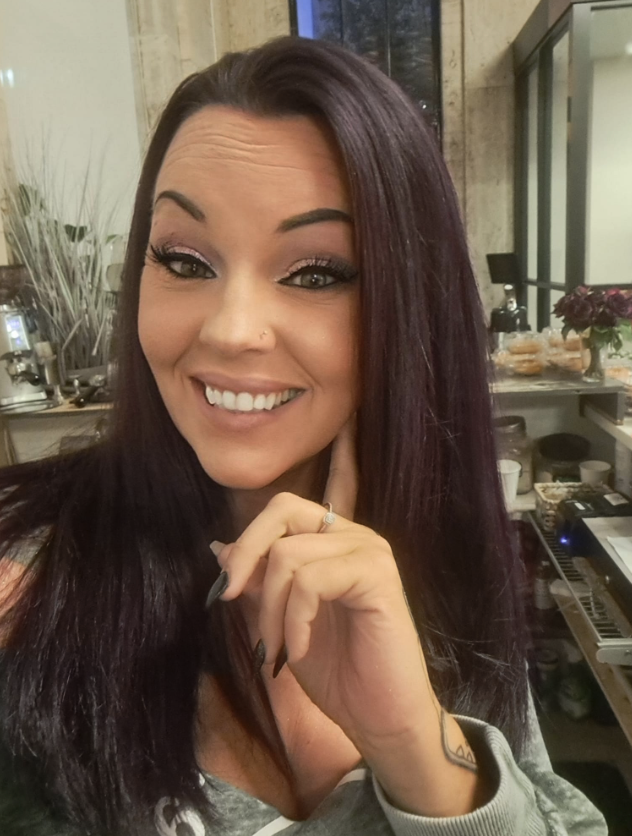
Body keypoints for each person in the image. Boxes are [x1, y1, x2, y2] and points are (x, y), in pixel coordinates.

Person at [0, 36, 606, 836]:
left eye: (316, 273)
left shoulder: (444, 559)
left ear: (407, 307)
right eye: (184, 259)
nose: (233, 330)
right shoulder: (32, 592)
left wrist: (413, 748)